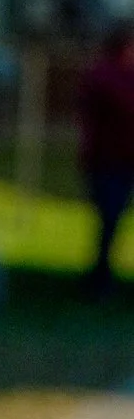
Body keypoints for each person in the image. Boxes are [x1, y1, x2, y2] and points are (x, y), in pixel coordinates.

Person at [76, 22, 134, 292]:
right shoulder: (104, 76)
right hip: (109, 160)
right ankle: (100, 277)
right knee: (110, 217)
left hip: (122, 159)